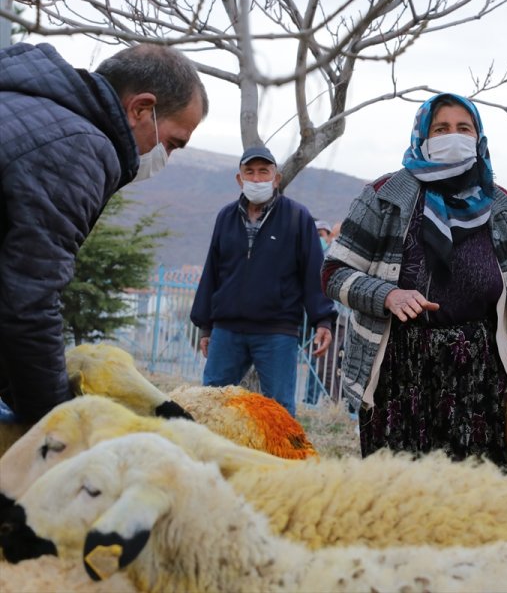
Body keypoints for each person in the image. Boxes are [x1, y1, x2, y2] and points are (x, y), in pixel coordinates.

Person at [322, 92, 507, 467]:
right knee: (399, 494)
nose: (453, 137)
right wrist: (386, 295)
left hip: (477, 380)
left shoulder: (503, 208)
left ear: (478, 138)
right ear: (422, 137)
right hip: (397, 373)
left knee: (471, 498)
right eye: (441, 129)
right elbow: (334, 273)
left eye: (463, 128)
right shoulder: (384, 196)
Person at [0, 42, 208, 424]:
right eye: (173, 143)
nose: (166, 156)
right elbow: (29, 301)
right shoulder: (78, 146)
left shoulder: (23, 103)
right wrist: (57, 428)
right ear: (141, 109)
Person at [190, 146, 336, 418]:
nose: (257, 179)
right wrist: (205, 325)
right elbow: (213, 271)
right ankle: (214, 458)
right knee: (211, 403)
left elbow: (313, 273)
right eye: (250, 172)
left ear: (276, 178)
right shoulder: (226, 217)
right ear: (240, 179)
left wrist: (323, 320)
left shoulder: (297, 217)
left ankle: (285, 461)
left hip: (276, 331)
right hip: (227, 330)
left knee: (279, 410)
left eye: (263, 172)